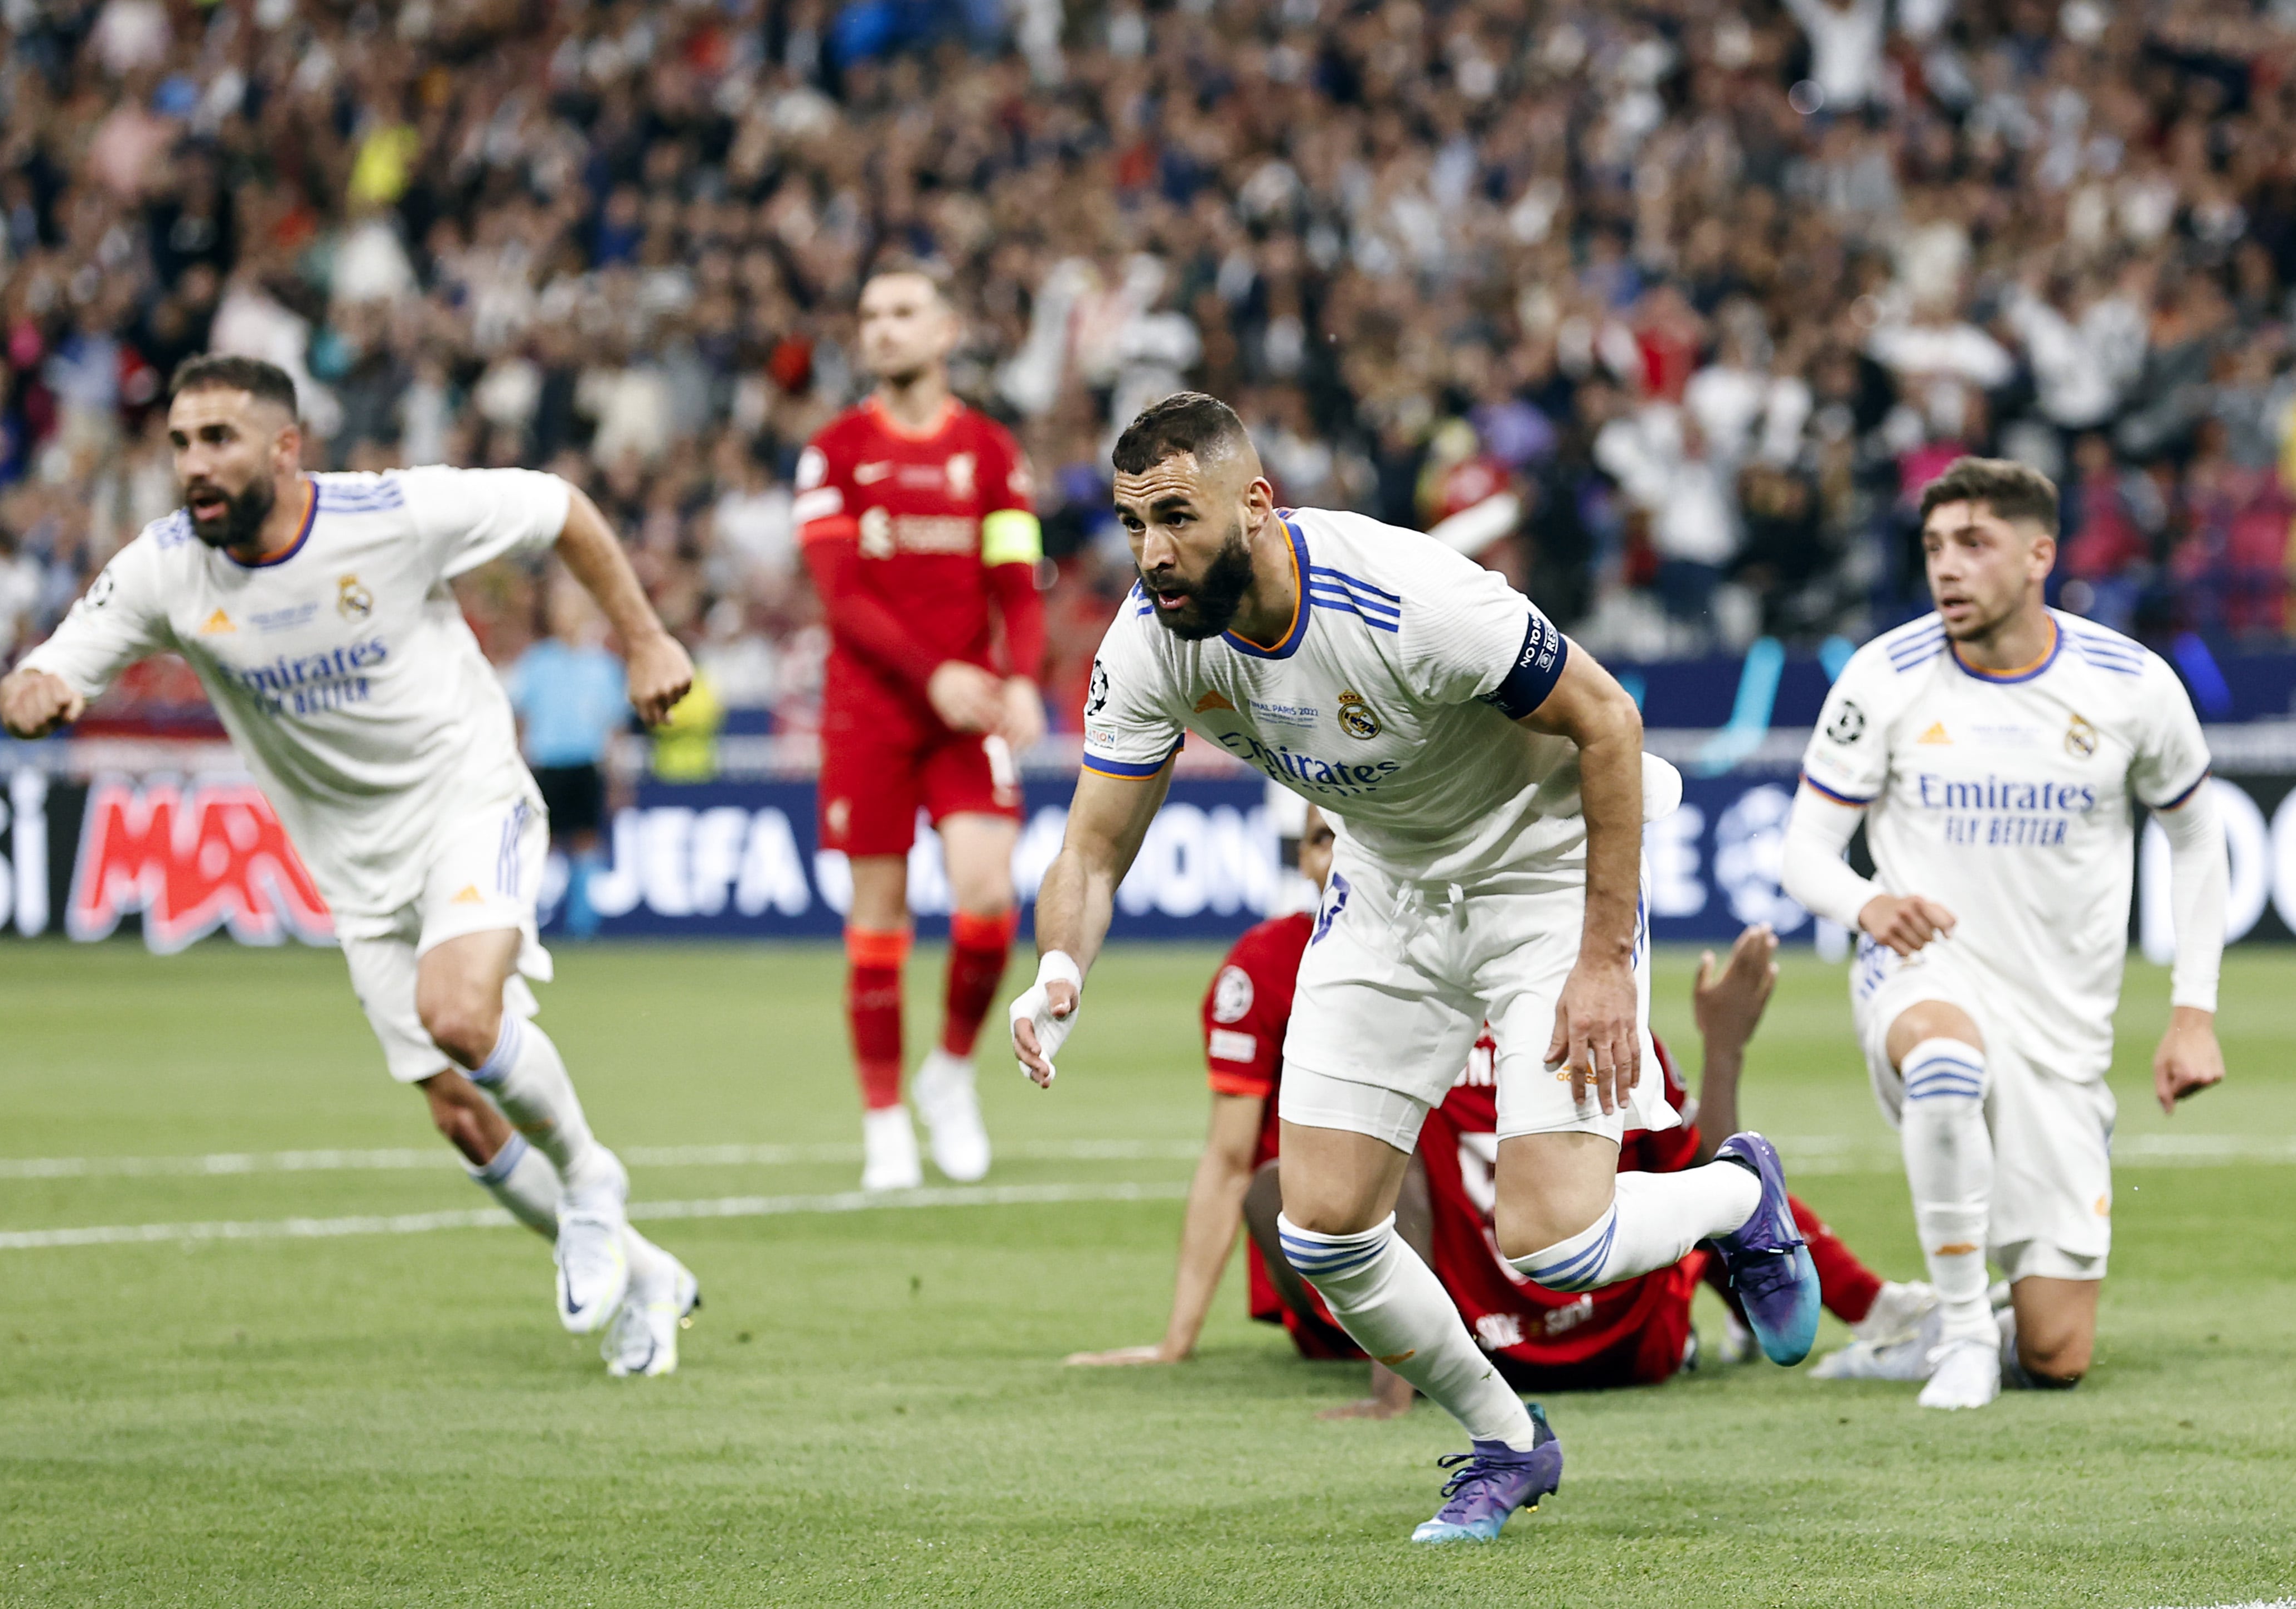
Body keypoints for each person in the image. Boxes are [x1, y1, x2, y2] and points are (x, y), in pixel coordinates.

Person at [1010, 392, 1820, 1545]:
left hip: (1544, 870)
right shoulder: (1152, 644)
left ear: (1255, 503)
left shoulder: (1407, 596)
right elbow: (1092, 846)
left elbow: (1611, 723)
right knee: (1322, 1226)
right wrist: (1057, 968)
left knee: (1558, 1243)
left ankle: (1741, 1194)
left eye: (1176, 519)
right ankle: (1506, 1441)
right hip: (1389, 885)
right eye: (1133, 524)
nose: (1150, 554)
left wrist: (1601, 960)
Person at [0, 355, 701, 1378]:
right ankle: (647, 1279)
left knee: (461, 1013)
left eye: (219, 440)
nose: (194, 463)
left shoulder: (392, 514)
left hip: (468, 798)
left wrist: (644, 639)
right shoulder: (165, 568)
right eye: (182, 443)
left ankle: (593, 1179)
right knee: (460, 1112)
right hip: (355, 870)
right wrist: (32, 693)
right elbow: (51, 664)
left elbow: (559, 508)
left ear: (286, 449)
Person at [1067, 810, 1932, 1411]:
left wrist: (1724, 1050)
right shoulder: (1293, 970)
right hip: (1513, 1315)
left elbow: (1685, 1159)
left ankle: (1869, 1310)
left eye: (1353, 836)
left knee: (1655, 1176)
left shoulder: (1553, 987)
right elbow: (1241, 1168)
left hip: (1577, 1324)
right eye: (1323, 837)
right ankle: (1809, 1315)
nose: (1339, 856)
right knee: (1296, 1190)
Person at [1781, 456, 2227, 1410]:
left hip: (2059, 1028)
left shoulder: (2130, 685)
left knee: (2058, 1357)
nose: (1947, 567)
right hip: (1922, 972)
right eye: (1935, 546)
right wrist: (1867, 906)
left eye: (1973, 544)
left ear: (2038, 555)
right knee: (1945, 1062)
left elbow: (2196, 838)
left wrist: (2193, 1012)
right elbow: (1803, 854)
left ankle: (1941, 1326)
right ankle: (1959, 1342)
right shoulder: (1885, 676)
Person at [795, 265, 1049, 1192]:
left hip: (966, 712)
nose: (883, 330)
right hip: (870, 714)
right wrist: (931, 670)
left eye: (903, 313)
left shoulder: (989, 453)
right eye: (869, 315)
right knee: (879, 917)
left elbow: (1017, 586)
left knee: (986, 896)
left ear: (946, 330)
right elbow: (841, 597)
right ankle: (882, 1119)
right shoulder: (831, 453)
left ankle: (946, 1073)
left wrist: (1019, 679)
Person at [507, 576, 635, 938]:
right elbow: (521, 719)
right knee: (539, 842)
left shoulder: (603, 666)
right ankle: (529, 916)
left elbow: (615, 729)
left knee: (585, 838)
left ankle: (583, 922)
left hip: (586, 763)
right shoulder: (537, 662)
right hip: (546, 763)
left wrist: (618, 776)